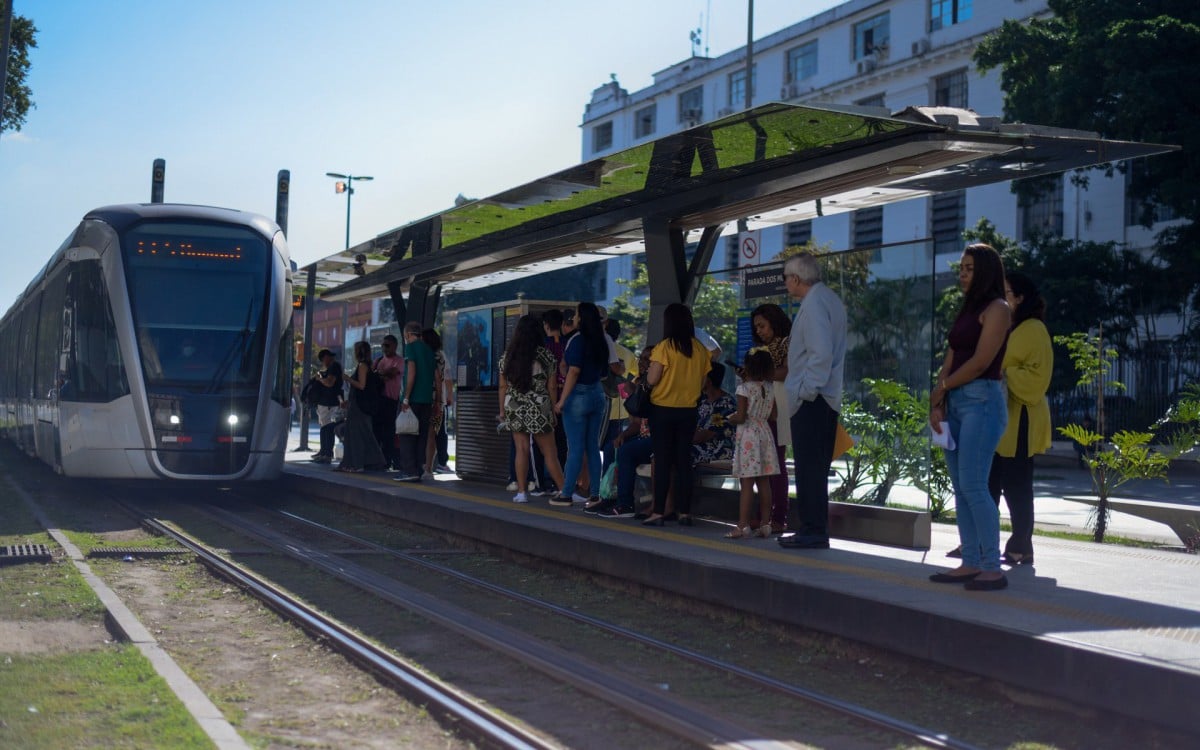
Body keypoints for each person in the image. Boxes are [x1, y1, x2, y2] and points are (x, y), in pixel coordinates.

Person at [928, 243, 1012, 591]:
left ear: (986, 271)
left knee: (975, 485)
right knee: (961, 489)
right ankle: (971, 562)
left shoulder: (999, 308)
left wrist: (944, 386)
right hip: (955, 402)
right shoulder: (966, 309)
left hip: (983, 402)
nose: (961, 274)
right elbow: (952, 357)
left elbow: (979, 362)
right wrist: (938, 400)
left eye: (969, 268)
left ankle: (993, 567)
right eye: (961, 268)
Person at [778, 254, 846, 550]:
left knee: (809, 467)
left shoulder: (815, 304)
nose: (785, 283)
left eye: (785, 277)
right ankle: (813, 527)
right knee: (812, 467)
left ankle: (813, 529)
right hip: (822, 398)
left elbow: (820, 354)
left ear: (795, 278)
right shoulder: (827, 299)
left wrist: (805, 391)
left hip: (814, 399)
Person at [990, 271, 1052, 566]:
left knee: (1016, 484)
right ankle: (984, 542)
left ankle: (1021, 545)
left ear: (1020, 298)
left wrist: (1005, 372)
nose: (1001, 297)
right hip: (1001, 419)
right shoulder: (1012, 327)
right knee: (991, 481)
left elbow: (1037, 379)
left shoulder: (1033, 330)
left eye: (1007, 292)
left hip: (1020, 419)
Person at [642, 303, 710, 527]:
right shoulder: (700, 350)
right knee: (683, 462)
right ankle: (685, 512)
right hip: (688, 412)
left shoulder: (664, 347)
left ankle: (659, 512)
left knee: (662, 462)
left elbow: (652, 380)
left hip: (662, 410)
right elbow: (702, 384)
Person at [499, 315, 566, 503]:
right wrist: (552, 410)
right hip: (539, 405)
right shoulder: (546, 356)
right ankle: (564, 490)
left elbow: (503, 387)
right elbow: (552, 387)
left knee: (521, 449)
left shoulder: (507, 356)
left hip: (514, 405)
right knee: (549, 452)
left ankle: (521, 492)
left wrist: (502, 411)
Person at [552, 302, 610, 506]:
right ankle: (595, 494)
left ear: (582, 318)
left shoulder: (577, 340)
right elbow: (604, 373)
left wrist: (562, 400)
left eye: (576, 314)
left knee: (575, 448)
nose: (574, 318)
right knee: (593, 447)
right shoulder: (601, 340)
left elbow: (573, 372)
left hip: (578, 396)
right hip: (597, 394)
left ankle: (566, 493)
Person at [726, 348, 779, 539]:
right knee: (764, 482)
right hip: (765, 434)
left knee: (747, 483)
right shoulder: (770, 388)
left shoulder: (744, 389)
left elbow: (740, 417)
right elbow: (774, 415)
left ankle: (742, 525)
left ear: (748, 367)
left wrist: (730, 418)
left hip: (748, 435)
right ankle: (766, 524)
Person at [750, 302, 792, 534]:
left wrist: (759, 373)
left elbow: (786, 372)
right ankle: (764, 515)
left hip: (777, 408)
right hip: (761, 409)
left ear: (774, 323)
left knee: (777, 463)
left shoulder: (787, 344)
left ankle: (778, 516)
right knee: (763, 465)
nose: (759, 331)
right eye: (756, 327)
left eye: (762, 326)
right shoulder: (761, 350)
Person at [597, 346, 655, 519]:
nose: (642, 363)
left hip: (656, 437)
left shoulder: (656, 385)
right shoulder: (637, 383)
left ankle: (625, 503)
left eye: (647, 359)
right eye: (641, 358)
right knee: (611, 447)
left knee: (626, 451)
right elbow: (636, 422)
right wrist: (623, 435)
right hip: (641, 434)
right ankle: (608, 497)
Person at [394, 321, 435, 483]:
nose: (405, 338)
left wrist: (406, 397)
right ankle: (418, 469)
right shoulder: (429, 350)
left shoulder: (411, 348)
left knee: (406, 434)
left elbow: (411, 374)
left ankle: (408, 470)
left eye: (405, 335)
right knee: (421, 436)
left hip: (413, 399)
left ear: (409, 334)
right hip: (426, 400)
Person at [337, 341, 387, 472]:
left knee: (357, 434)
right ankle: (367, 462)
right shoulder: (367, 366)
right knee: (363, 433)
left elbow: (361, 385)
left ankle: (358, 463)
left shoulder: (362, 366)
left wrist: (347, 379)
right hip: (359, 405)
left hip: (359, 407)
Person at [373, 334, 405, 470]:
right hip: (379, 400)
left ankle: (388, 460)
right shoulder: (379, 360)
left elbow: (391, 373)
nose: (384, 348)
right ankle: (379, 460)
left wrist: (380, 373)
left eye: (387, 345)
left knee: (389, 433)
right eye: (383, 345)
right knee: (377, 431)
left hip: (392, 401)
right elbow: (374, 374)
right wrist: (381, 374)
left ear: (395, 346)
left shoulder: (399, 360)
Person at [422, 328, 447, 478]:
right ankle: (428, 467)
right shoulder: (441, 355)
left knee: (428, 434)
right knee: (432, 434)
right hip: (438, 399)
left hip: (430, 398)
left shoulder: (430, 356)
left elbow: (437, 377)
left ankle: (427, 467)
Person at [311, 349, 344, 464]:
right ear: (323, 358)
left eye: (331, 356)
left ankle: (327, 454)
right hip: (326, 403)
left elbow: (330, 383)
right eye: (328, 356)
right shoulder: (331, 368)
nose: (331, 358)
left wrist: (319, 379)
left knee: (328, 428)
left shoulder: (334, 366)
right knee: (324, 428)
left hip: (330, 403)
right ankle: (323, 452)